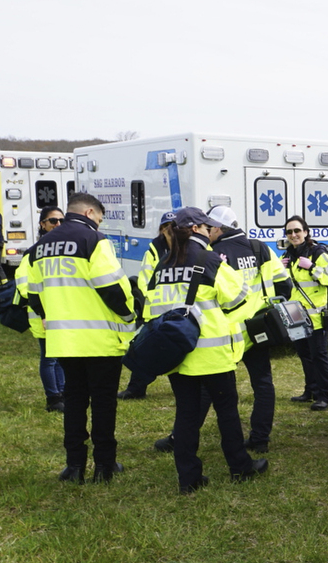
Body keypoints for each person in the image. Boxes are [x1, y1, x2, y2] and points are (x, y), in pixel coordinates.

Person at [141, 207, 265, 493]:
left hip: (176, 354)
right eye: (208, 227)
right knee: (227, 412)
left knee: (185, 415)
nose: (211, 231)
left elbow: (151, 311)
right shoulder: (210, 260)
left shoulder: (162, 266)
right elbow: (241, 299)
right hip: (212, 355)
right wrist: (221, 318)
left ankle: (189, 479)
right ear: (197, 228)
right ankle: (240, 467)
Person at [25, 193, 135, 483]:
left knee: (73, 402)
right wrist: (128, 316)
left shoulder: (40, 247)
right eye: (99, 218)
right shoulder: (94, 241)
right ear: (89, 212)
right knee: (102, 403)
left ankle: (74, 466)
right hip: (100, 339)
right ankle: (104, 466)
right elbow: (112, 287)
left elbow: (33, 294)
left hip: (63, 339)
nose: (100, 224)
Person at [207, 204, 291, 450]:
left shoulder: (212, 252)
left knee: (214, 389)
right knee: (263, 384)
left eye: (208, 227)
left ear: (217, 228)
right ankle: (260, 439)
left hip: (226, 332)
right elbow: (284, 285)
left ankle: (183, 436)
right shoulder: (259, 247)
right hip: (258, 329)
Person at [118, 210, 178, 400]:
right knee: (145, 350)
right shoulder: (154, 249)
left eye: (171, 227)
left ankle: (181, 390)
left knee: (179, 348)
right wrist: (154, 303)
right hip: (156, 310)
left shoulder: (187, 247)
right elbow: (145, 280)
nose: (167, 231)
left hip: (180, 309)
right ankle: (136, 389)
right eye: (164, 227)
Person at [14, 206, 66, 411]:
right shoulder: (34, 252)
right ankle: (53, 398)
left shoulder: (63, 248)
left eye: (62, 220)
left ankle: (62, 393)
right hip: (42, 313)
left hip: (61, 312)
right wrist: (44, 312)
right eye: (53, 221)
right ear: (42, 224)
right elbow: (25, 284)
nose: (58, 225)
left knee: (61, 356)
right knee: (50, 357)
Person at [282, 214, 328, 410]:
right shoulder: (288, 255)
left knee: (319, 354)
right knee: (304, 354)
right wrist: (281, 271)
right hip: (296, 314)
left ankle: (325, 395)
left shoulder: (317, 253)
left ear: (305, 232)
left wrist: (313, 267)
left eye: (297, 230)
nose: (294, 234)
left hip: (317, 314)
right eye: (289, 231)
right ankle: (311, 390)